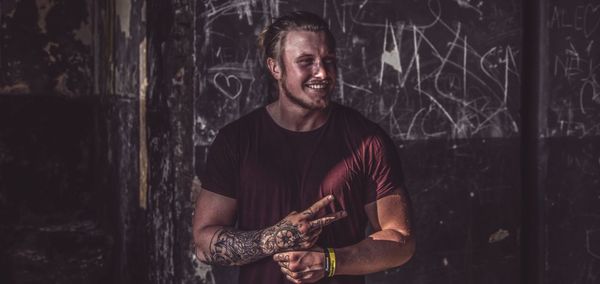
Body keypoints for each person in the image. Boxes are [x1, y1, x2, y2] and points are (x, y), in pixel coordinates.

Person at [193, 11, 414, 284]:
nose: (322, 72)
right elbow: (203, 243)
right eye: (306, 62)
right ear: (275, 68)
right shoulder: (236, 141)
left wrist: (331, 261)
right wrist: (274, 238)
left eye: (328, 61)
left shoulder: (367, 141)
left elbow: (401, 241)